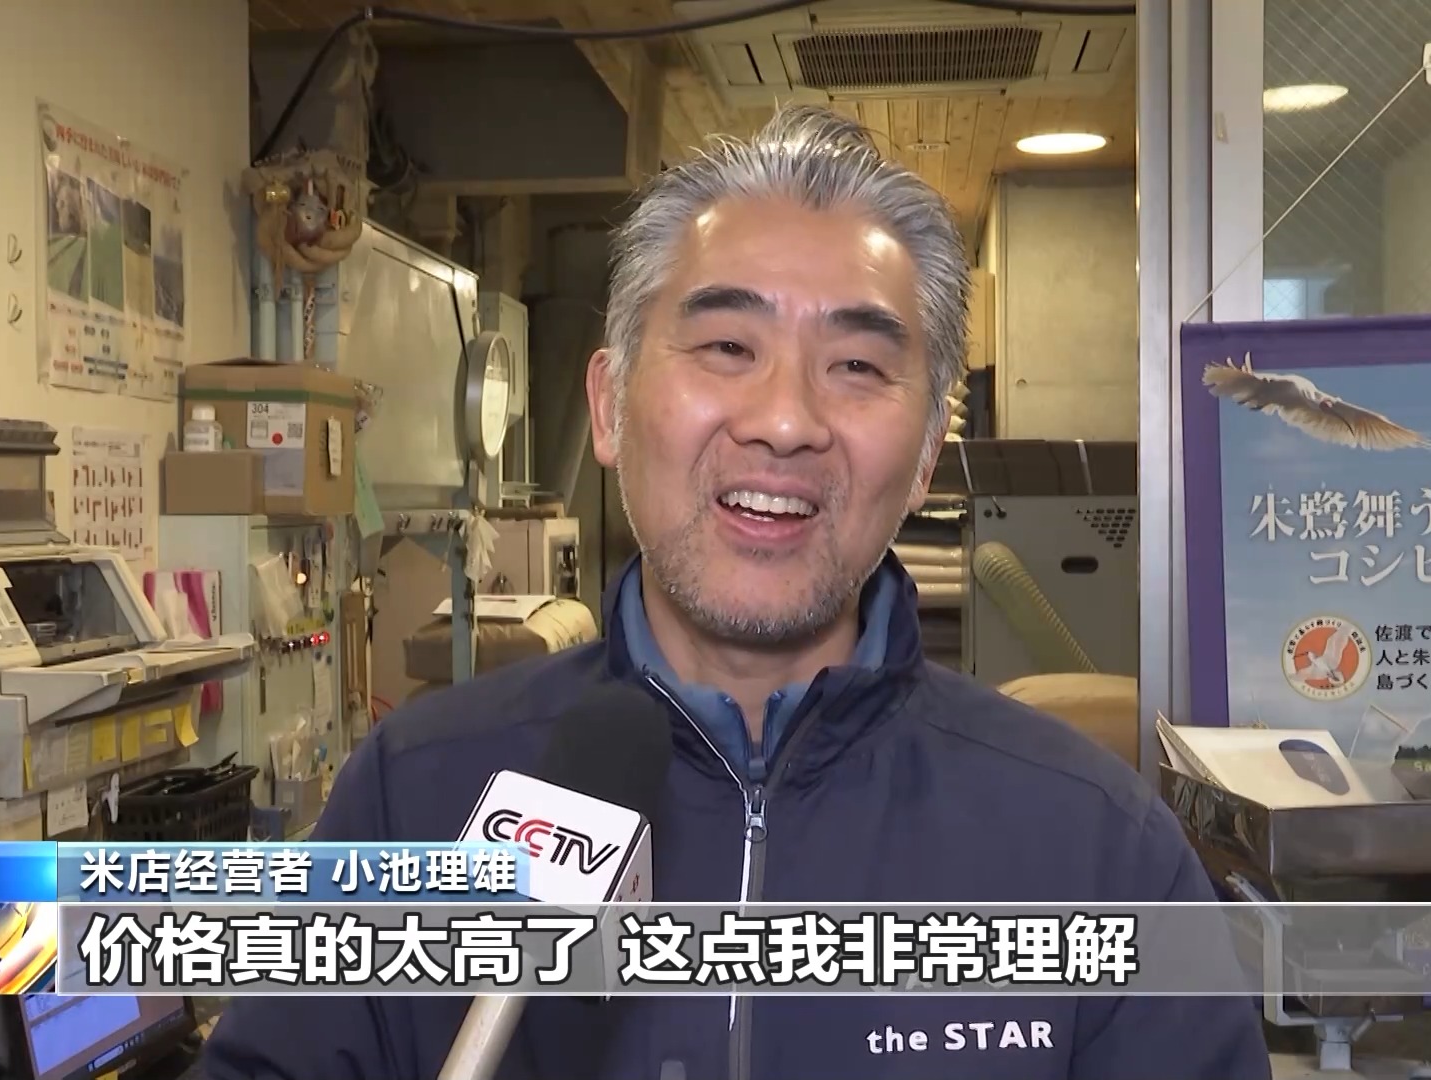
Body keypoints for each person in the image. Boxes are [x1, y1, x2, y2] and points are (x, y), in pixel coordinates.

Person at [203, 105, 1270, 1080]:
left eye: (857, 366)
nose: (786, 420)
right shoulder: (412, 798)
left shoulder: (1096, 849)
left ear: (927, 455)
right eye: (726, 346)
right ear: (610, 407)